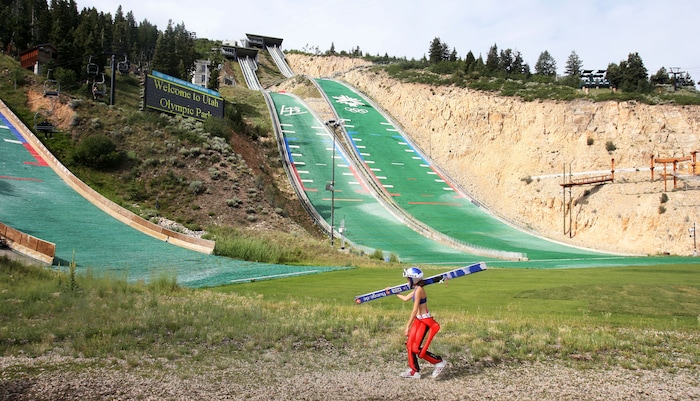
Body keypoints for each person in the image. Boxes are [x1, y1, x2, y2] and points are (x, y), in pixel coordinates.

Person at [395, 267, 447, 379]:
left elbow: (414, 310)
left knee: (415, 348)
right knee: (409, 345)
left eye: (408, 278)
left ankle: (439, 362)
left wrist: (407, 326)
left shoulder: (419, 290)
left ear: (413, 279)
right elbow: (405, 298)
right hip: (419, 319)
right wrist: (393, 292)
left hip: (424, 321)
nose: (407, 280)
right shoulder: (416, 288)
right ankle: (414, 371)